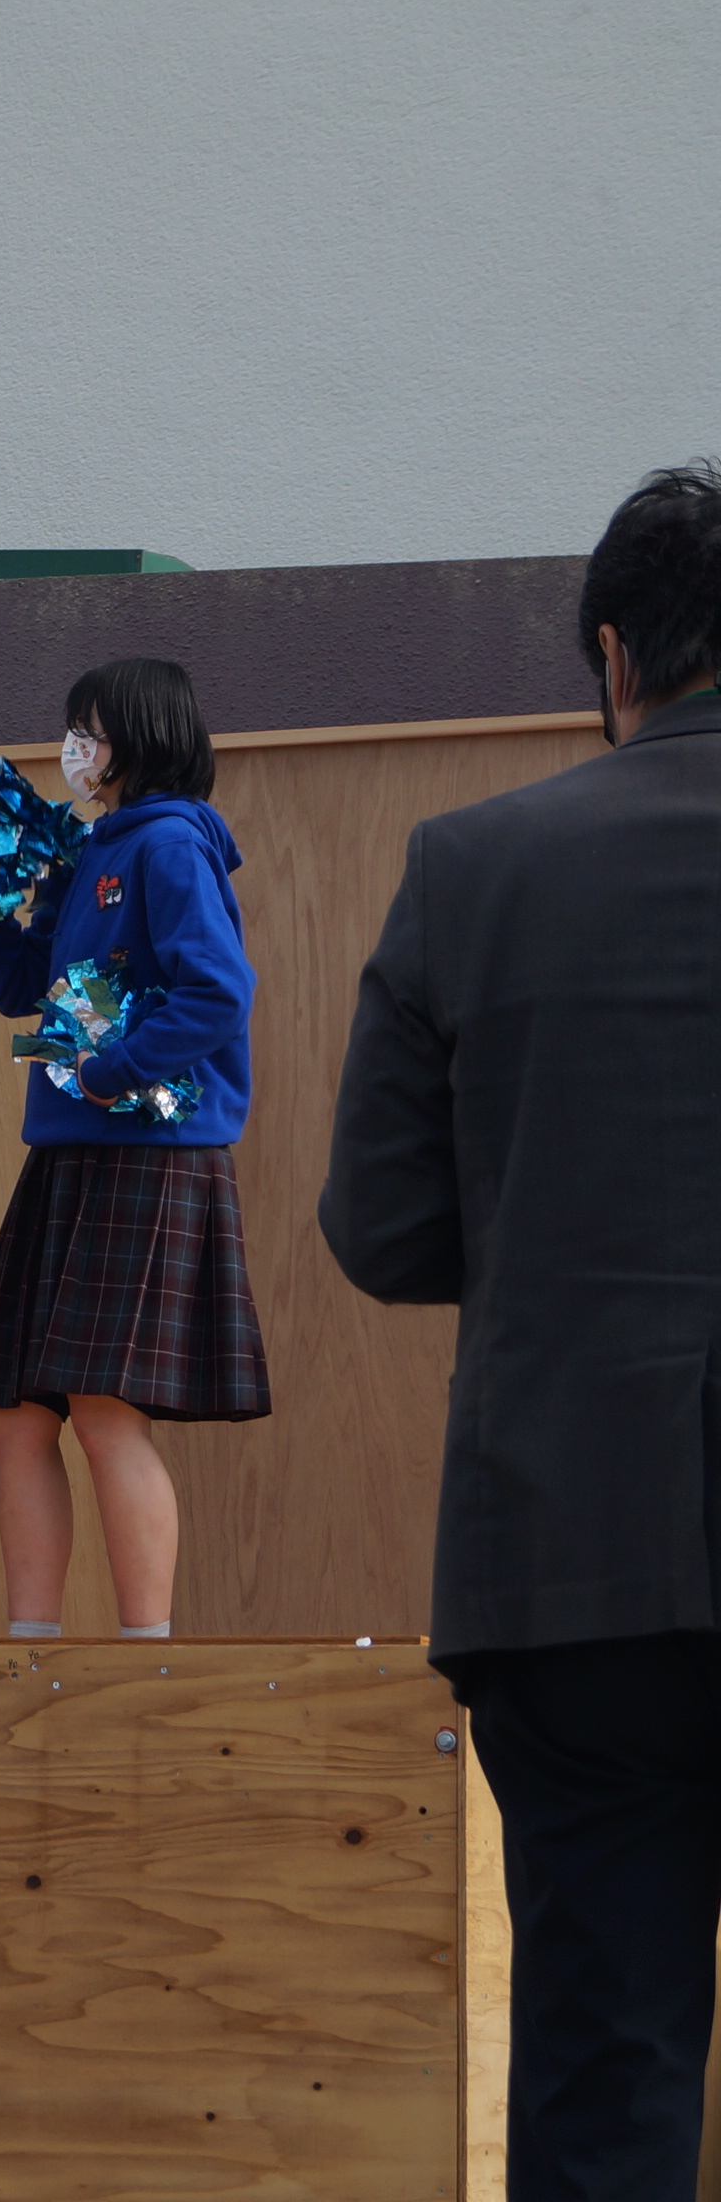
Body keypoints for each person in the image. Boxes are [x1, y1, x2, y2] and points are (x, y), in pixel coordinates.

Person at [323, 463, 721, 2199]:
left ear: (613, 653)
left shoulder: (473, 866)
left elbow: (384, 1228)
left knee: (604, 2060)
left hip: (574, 1559)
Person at [0, 659, 266, 1641]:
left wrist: (110, 1071)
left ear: (137, 739)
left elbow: (219, 992)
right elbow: (24, 989)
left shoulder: (169, 844)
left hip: (143, 1150)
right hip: (70, 1150)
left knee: (102, 1410)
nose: (72, 750)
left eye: (86, 732)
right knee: (17, 1411)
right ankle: (31, 1647)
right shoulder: (90, 847)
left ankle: (143, 1656)